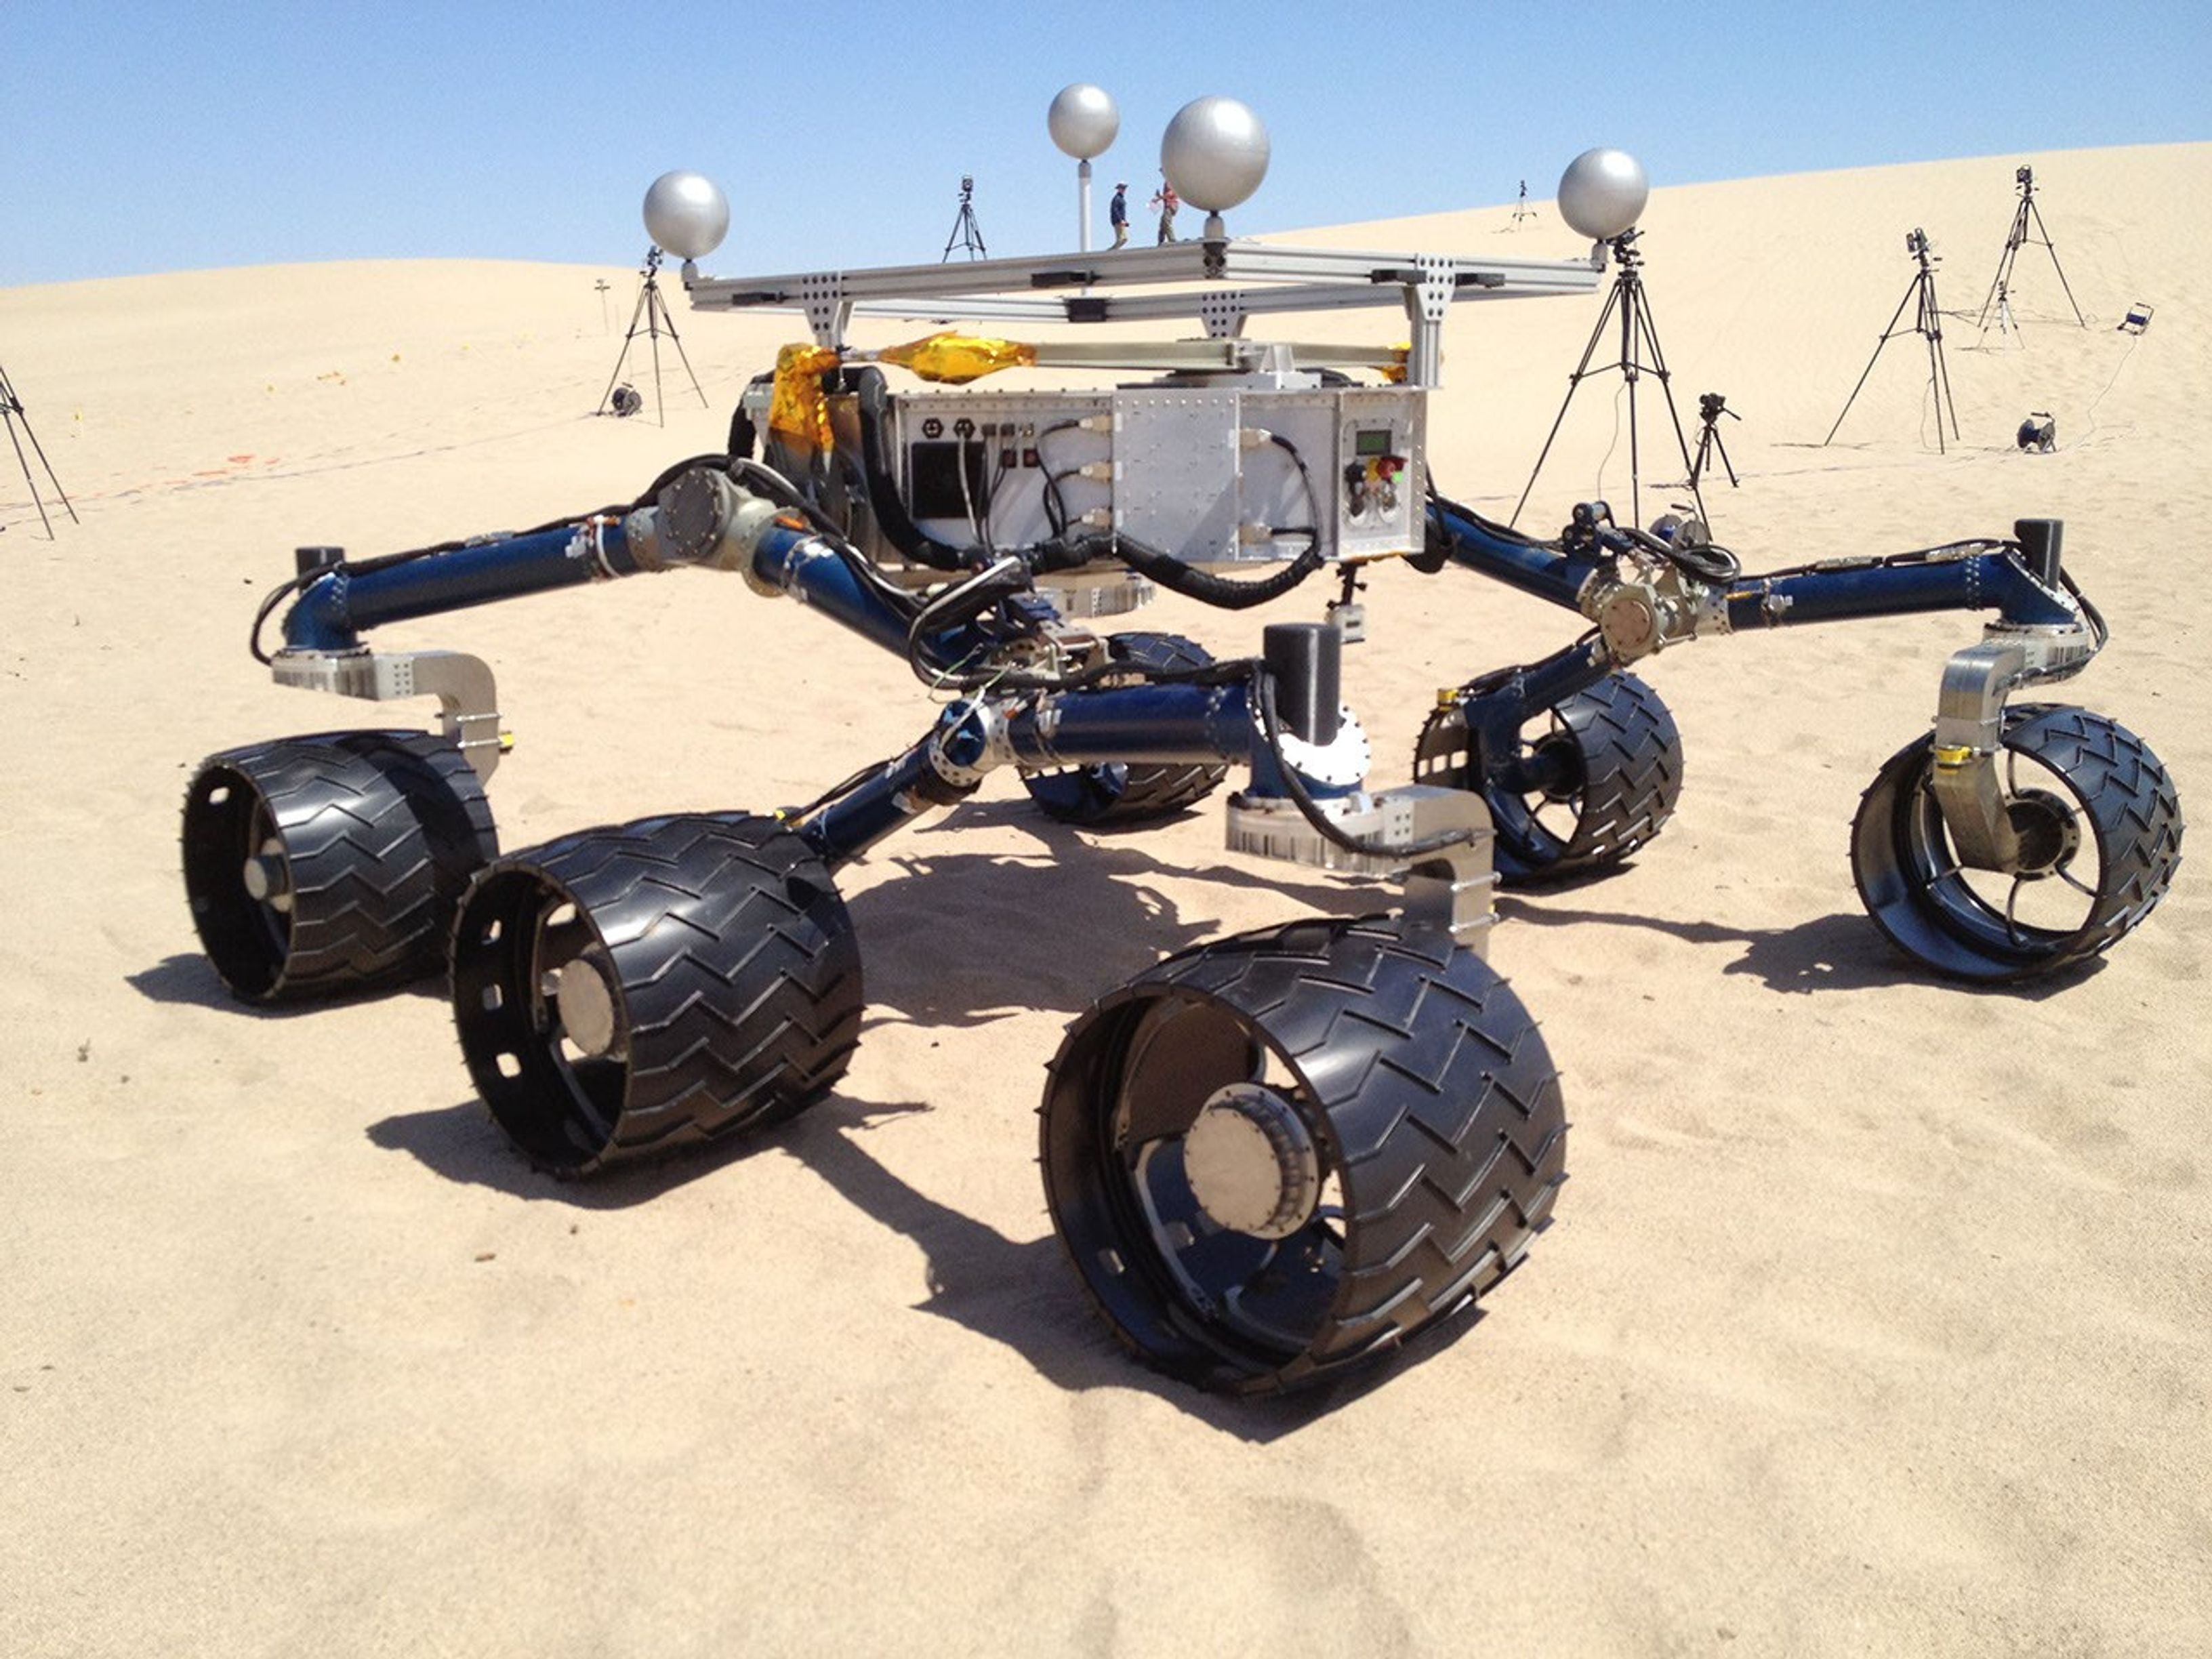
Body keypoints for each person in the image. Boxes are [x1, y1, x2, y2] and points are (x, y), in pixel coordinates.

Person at [1150, 179, 1179, 244]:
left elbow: (1170, 193)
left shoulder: (1170, 181)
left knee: (1166, 222)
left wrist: (1159, 198)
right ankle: (1161, 241)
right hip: (1168, 206)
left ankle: (1172, 240)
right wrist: (1159, 197)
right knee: (1163, 223)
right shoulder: (1169, 181)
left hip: (1170, 205)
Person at [1109, 182, 1129, 249]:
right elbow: (1115, 210)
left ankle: (1114, 250)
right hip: (1118, 222)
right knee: (1122, 239)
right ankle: (1112, 251)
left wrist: (1125, 221)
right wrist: (1120, 220)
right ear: (1119, 189)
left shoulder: (1121, 199)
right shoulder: (1117, 199)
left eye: (1125, 188)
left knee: (1124, 239)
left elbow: (1121, 211)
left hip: (1121, 222)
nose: (1124, 190)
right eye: (1123, 188)